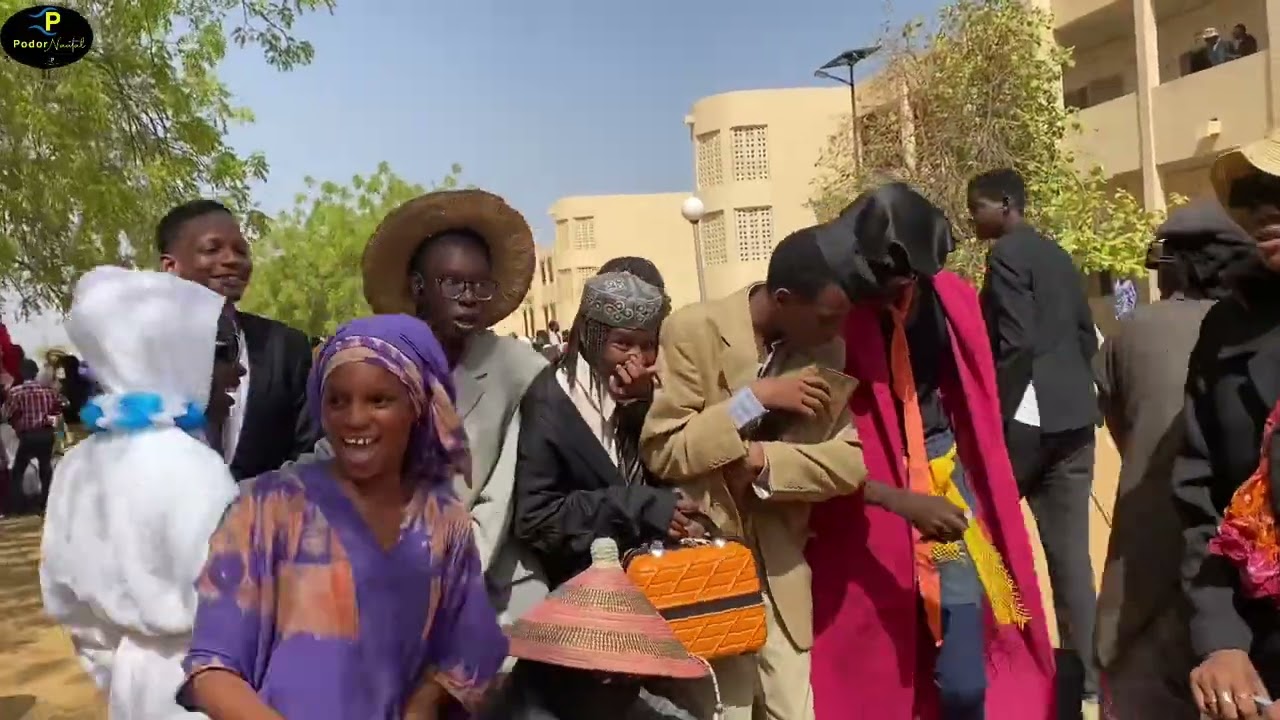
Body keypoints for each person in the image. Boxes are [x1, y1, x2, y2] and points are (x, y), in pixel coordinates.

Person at [806, 183, 1053, 719]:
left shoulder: (949, 302)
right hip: (869, 488)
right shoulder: (835, 311)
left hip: (940, 475)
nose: (888, 286)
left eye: (901, 274)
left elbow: (979, 383)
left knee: (964, 649)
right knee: (880, 633)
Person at [181, 314, 508, 718]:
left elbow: (468, 641)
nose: (354, 419)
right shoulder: (267, 508)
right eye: (337, 400)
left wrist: (422, 704)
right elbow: (213, 668)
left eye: (379, 400)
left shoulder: (443, 519)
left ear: (417, 407)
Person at [640, 230, 865, 720]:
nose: (837, 330)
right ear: (784, 300)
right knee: (728, 713)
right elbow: (665, 449)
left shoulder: (825, 353)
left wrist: (764, 460)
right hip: (709, 573)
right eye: (828, 317)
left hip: (781, 573)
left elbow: (848, 464)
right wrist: (756, 399)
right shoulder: (692, 330)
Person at [39, 266, 240, 718]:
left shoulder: (76, 466)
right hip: (207, 690)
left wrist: (120, 669)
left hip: (130, 686)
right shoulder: (195, 469)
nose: (237, 369)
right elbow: (238, 607)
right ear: (175, 354)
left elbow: (65, 600)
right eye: (223, 351)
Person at [352, 188, 548, 621]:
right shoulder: (377, 369)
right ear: (419, 287)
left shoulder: (519, 369)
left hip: (497, 586)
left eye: (481, 284)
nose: (470, 296)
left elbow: (503, 497)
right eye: (454, 283)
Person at [1093, 200, 1253, 720]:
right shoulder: (1256, 332)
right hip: (1243, 580)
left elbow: (1121, 433)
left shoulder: (1134, 332)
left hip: (1145, 575)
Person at [969, 167, 1101, 701]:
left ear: (1005, 205)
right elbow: (1081, 333)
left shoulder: (1005, 256)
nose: (971, 217)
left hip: (1026, 421)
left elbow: (1016, 343)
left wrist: (993, 414)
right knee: (1071, 558)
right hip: (1074, 419)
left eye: (976, 206)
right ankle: (1089, 683)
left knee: (981, 539)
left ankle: (1006, 658)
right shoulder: (1056, 254)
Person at [1177, 128, 1280, 720]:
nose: (1265, 205)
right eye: (1251, 191)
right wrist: (1221, 641)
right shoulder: (1226, 330)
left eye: (1279, 188)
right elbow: (1200, 501)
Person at [515, 269, 700, 589]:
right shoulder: (551, 404)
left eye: (647, 345)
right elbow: (537, 520)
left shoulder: (651, 393)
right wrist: (638, 506)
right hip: (587, 590)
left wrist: (643, 408)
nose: (637, 358)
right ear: (591, 337)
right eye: (623, 344)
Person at [158, 199, 320, 477]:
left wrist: (259, 508)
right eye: (212, 249)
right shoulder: (145, 350)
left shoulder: (287, 347)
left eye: (241, 251)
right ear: (171, 266)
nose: (232, 259)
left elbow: (310, 451)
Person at [483, 537, 704, 720]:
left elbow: (648, 708)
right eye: (616, 677)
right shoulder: (533, 706)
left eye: (630, 677)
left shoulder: (608, 689)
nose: (627, 683)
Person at [4, 357, 63, 513]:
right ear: (36, 372)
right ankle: (46, 503)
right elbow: (59, 410)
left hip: (28, 435)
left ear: (22, 373)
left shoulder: (16, 392)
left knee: (18, 471)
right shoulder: (50, 391)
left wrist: (16, 424)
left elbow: (7, 414)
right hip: (46, 433)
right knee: (45, 468)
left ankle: (17, 506)